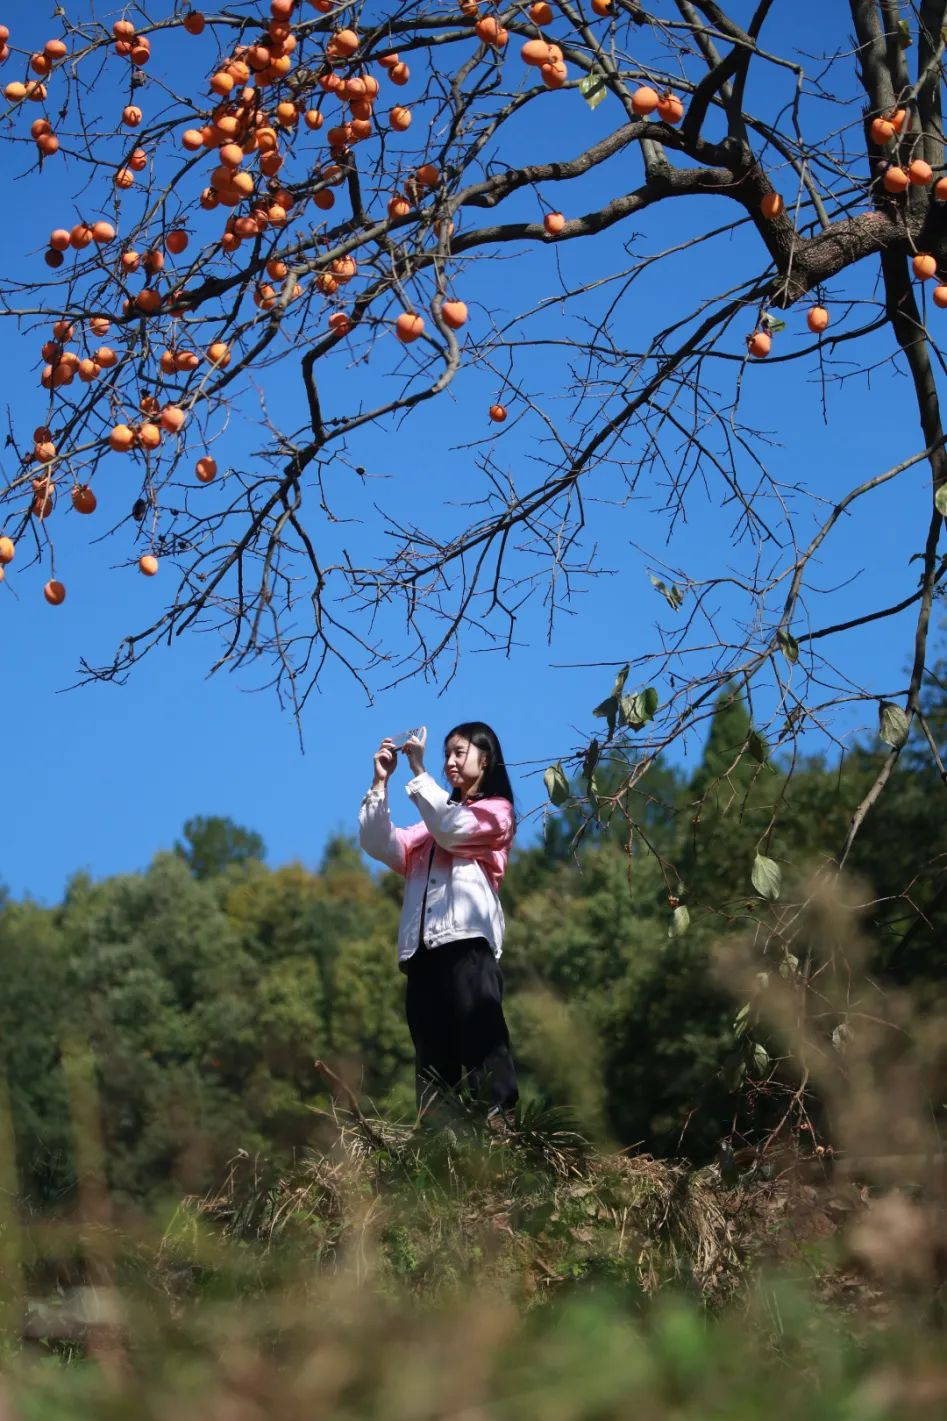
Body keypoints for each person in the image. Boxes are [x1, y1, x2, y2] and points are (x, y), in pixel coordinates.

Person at [358, 722, 519, 1125]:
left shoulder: (496, 813)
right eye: (445, 753)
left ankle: (501, 1125)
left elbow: (452, 830)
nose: (449, 761)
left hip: (467, 943)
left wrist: (418, 771)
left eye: (458, 752)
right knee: (431, 1056)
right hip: (421, 952)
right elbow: (379, 844)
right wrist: (381, 783)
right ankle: (438, 1143)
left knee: (482, 1037)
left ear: (486, 760)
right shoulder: (427, 831)